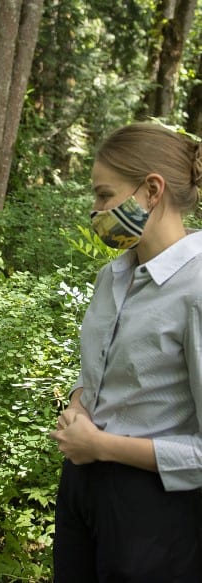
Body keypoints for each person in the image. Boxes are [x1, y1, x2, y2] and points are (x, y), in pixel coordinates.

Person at [49, 122, 202, 582]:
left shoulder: (196, 287)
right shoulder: (112, 276)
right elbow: (100, 372)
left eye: (103, 195)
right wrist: (79, 402)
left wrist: (101, 445)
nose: (95, 210)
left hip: (155, 510)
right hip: (82, 486)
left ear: (151, 190)